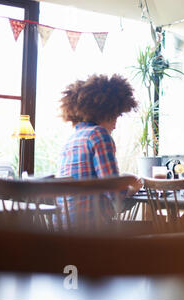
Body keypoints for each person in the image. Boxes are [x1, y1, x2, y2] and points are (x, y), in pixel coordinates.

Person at [57, 74, 142, 227]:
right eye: (115, 117)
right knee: (152, 228)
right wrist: (133, 187)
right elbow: (115, 193)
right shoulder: (99, 135)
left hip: (63, 229)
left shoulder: (72, 139)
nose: (115, 125)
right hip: (91, 230)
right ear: (106, 113)